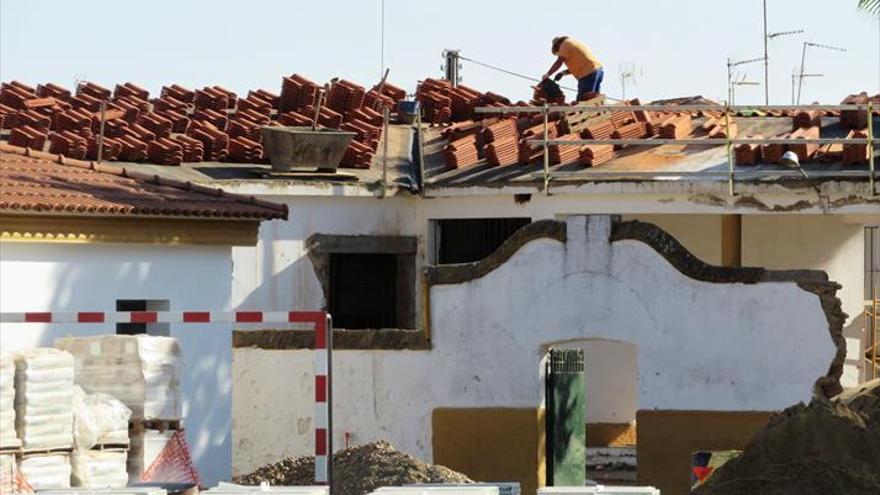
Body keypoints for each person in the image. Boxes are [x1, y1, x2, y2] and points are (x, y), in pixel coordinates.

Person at [542, 36, 604, 101]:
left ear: (557, 45)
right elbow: (577, 66)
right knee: (594, 100)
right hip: (597, 71)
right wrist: (562, 73)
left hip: (588, 74)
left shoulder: (564, 44)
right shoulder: (572, 43)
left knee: (584, 101)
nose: (559, 52)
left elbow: (559, 62)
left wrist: (548, 74)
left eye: (557, 50)